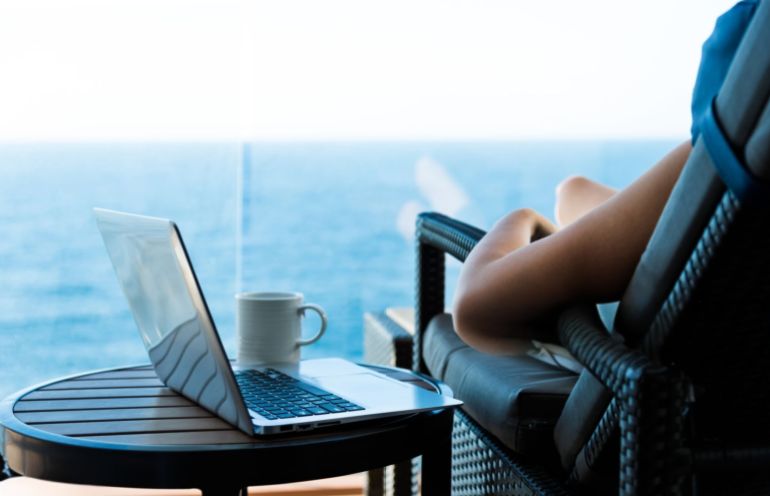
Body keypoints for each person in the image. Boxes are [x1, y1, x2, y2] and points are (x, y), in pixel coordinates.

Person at [452, 0, 759, 354]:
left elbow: (478, 308)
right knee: (573, 192)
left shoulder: (750, 90)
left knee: (569, 197)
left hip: (680, 348)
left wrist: (523, 219)